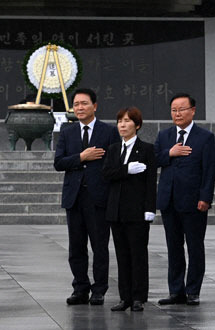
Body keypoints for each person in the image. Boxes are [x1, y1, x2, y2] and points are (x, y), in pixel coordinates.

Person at [54, 88, 120, 306]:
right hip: (74, 197)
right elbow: (59, 163)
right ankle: (80, 288)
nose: (79, 108)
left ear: (95, 106)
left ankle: (99, 289)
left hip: (98, 198)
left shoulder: (108, 132)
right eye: (76, 104)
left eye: (84, 103)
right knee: (76, 246)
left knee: (99, 246)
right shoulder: (67, 131)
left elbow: (114, 164)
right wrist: (81, 157)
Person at [154, 93, 215, 306]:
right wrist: (170, 153)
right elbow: (153, 160)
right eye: (174, 110)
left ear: (193, 110)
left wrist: (205, 197)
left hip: (193, 201)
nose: (177, 113)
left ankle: (193, 291)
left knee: (194, 246)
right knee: (173, 247)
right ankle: (175, 291)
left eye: (181, 109)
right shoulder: (164, 136)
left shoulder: (205, 137)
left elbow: (210, 170)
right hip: (169, 200)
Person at [102, 106, 157, 312]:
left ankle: (138, 297)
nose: (122, 125)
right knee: (122, 255)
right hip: (116, 211)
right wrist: (126, 170)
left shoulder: (147, 149)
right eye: (119, 121)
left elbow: (151, 182)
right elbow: (106, 173)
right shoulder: (114, 149)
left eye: (126, 121)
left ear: (137, 125)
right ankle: (124, 297)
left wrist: (150, 208)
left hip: (137, 211)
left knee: (138, 255)